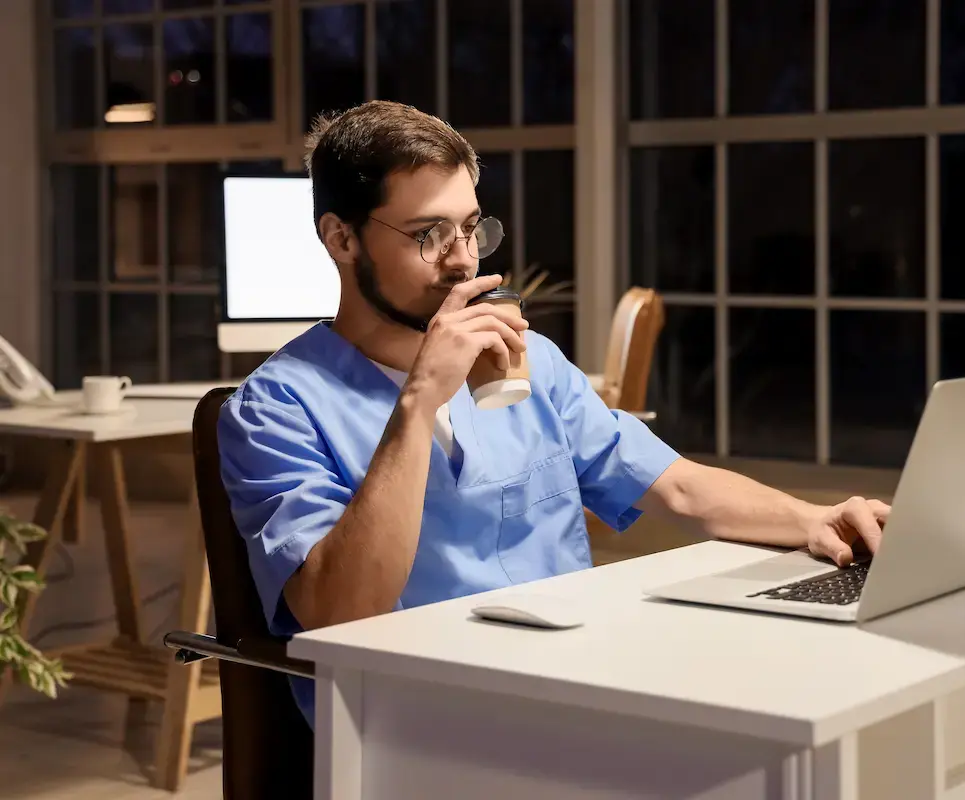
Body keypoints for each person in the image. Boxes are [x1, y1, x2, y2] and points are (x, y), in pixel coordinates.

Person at [217, 101, 891, 726]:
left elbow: (676, 485)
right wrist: (420, 399)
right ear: (341, 239)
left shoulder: (530, 361)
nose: (463, 259)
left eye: (471, 228)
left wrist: (814, 519)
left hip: (569, 681)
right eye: (428, 235)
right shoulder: (273, 410)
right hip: (411, 719)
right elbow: (339, 610)